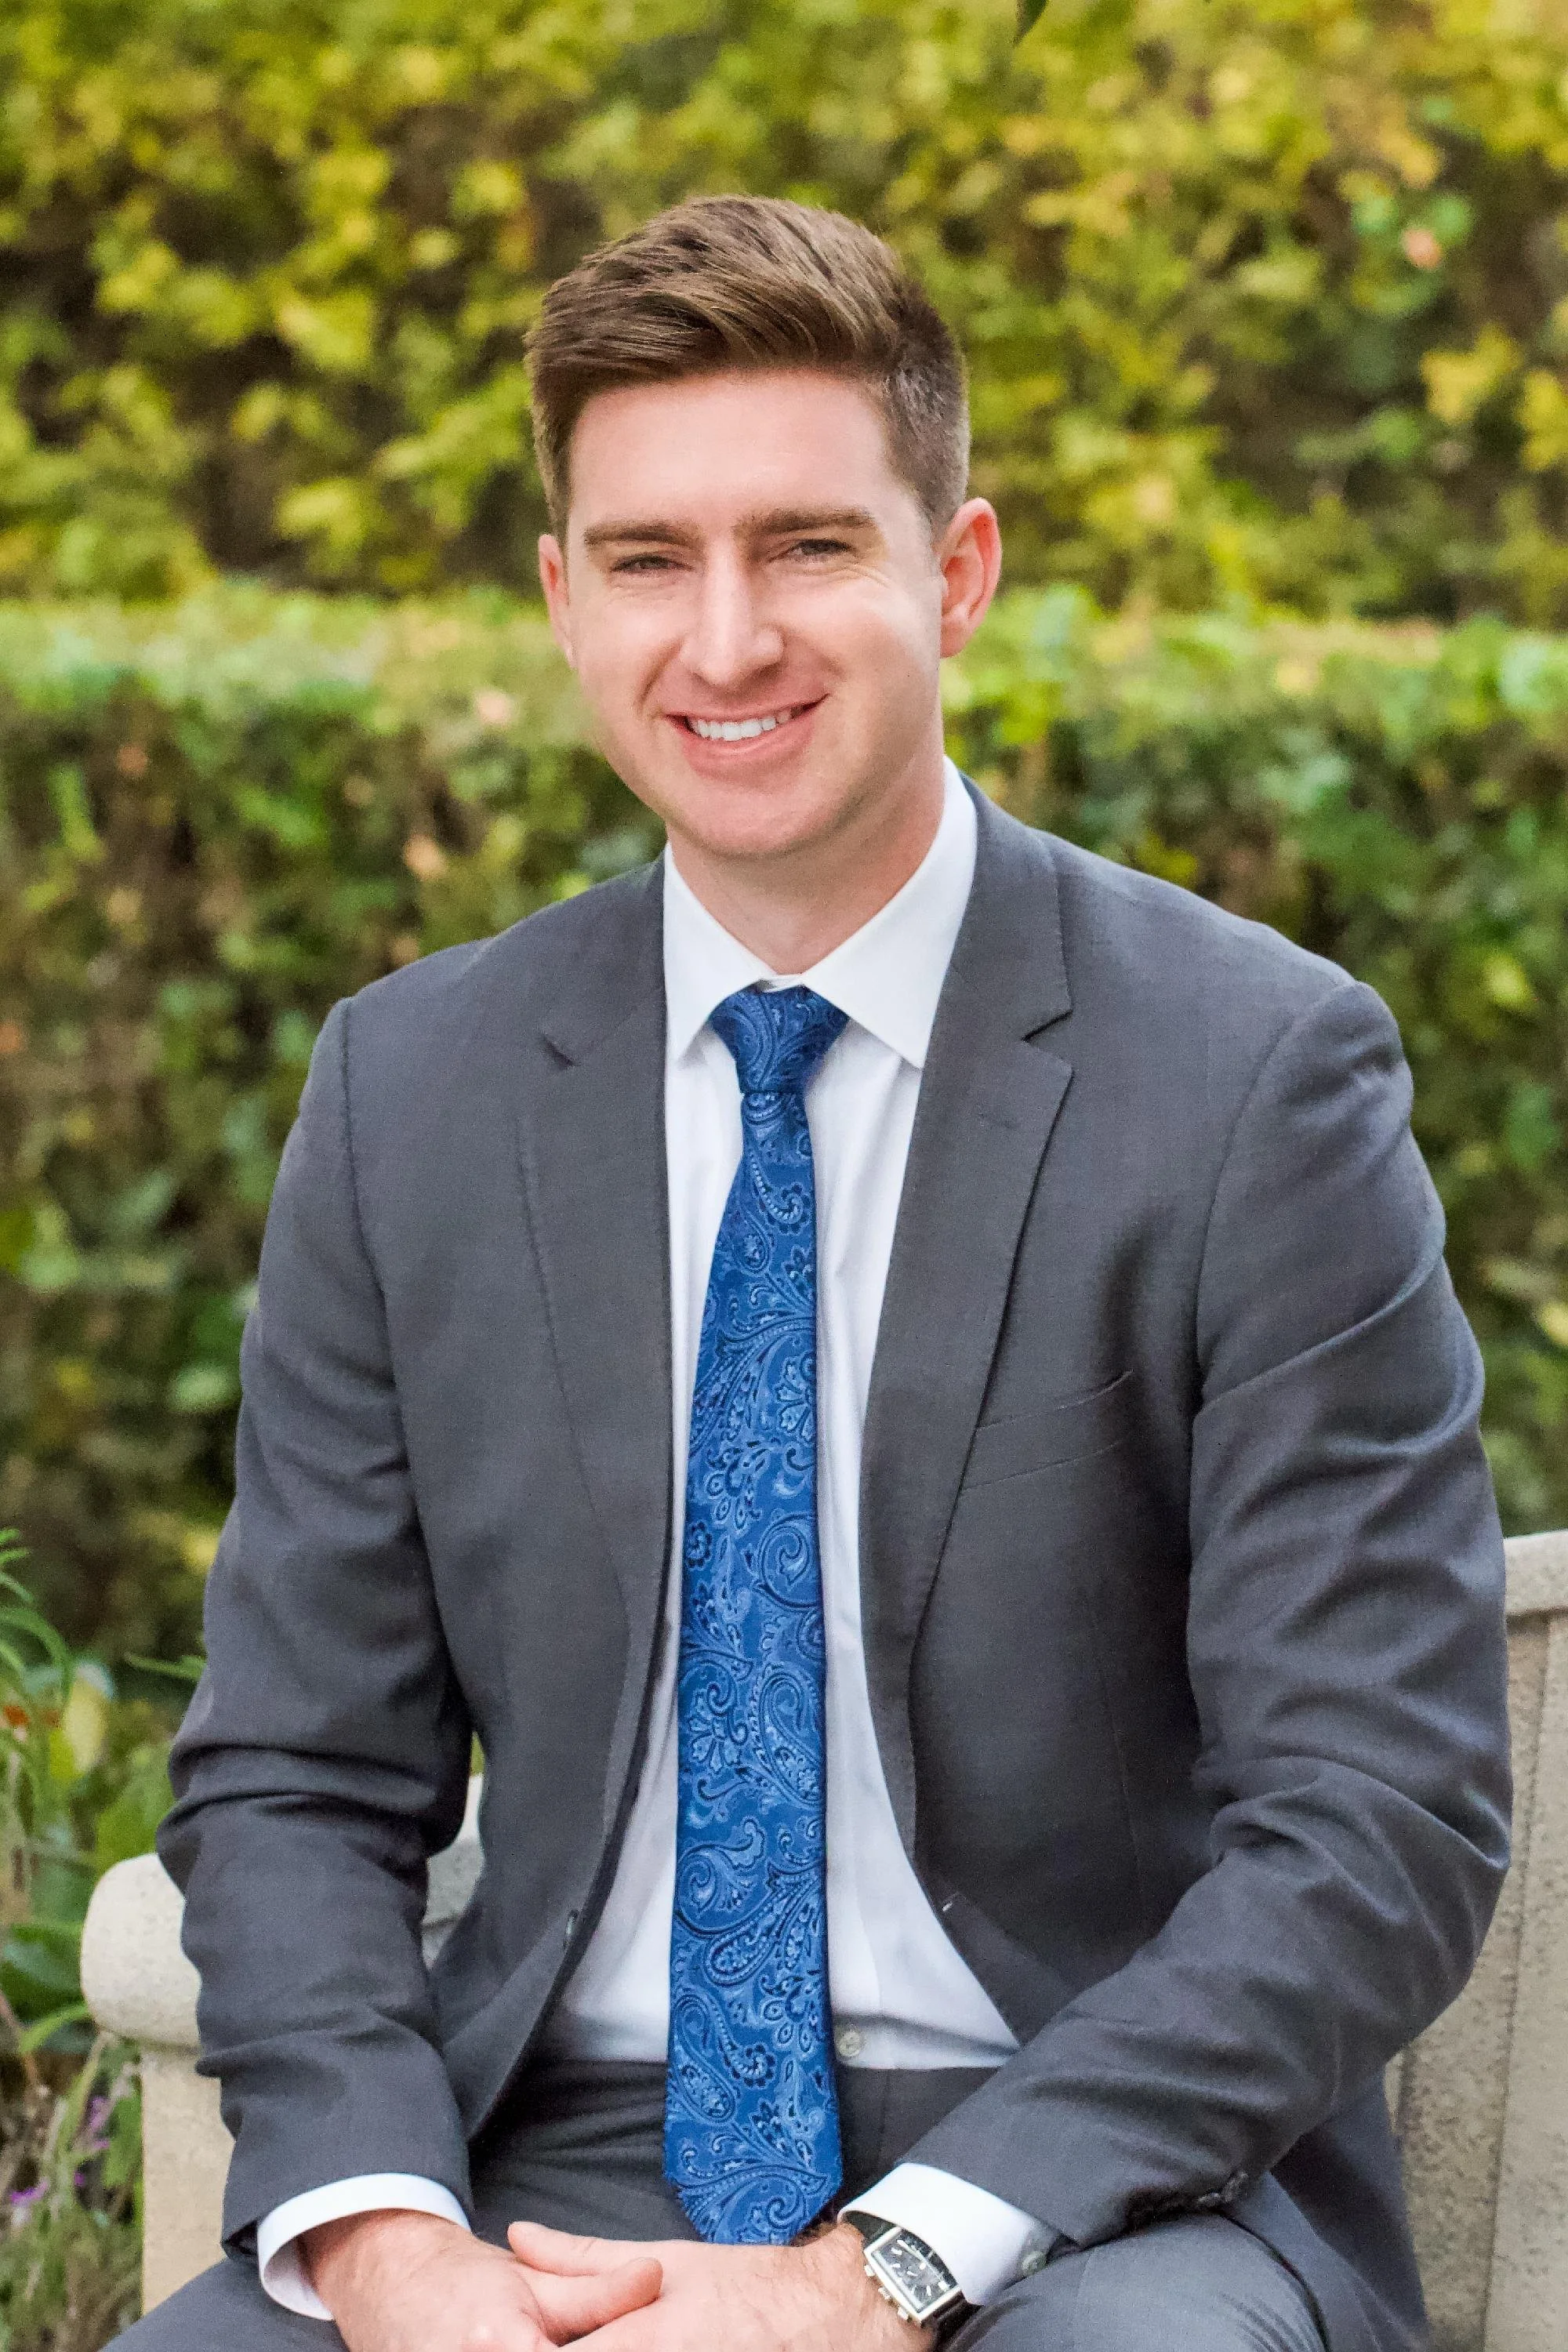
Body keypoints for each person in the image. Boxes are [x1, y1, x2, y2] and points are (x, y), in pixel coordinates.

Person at [118, 197, 1510, 2352]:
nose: (729, 640)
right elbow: (296, 1772)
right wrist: (395, 2255)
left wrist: (875, 2274)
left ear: (955, 575)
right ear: (563, 600)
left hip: (1089, 2168)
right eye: (652, 560)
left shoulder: (1254, 1079)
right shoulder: (413, 1090)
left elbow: (1376, 1813)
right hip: (535, 2155)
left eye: (811, 546)